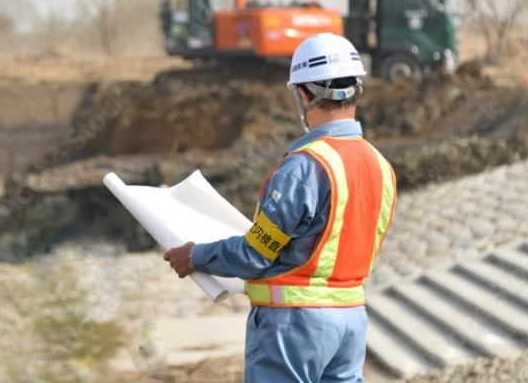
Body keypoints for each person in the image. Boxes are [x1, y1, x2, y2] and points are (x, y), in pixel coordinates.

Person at [164, 33, 397, 383]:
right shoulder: (382, 167)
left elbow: (256, 254)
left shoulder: (304, 167)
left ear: (302, 94)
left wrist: (195, 256)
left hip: (294, 326)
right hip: (351, 320)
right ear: (358, 91)